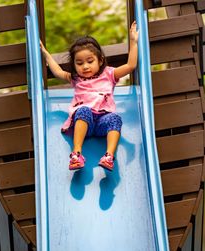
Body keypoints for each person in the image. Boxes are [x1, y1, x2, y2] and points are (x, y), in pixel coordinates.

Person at [40, 21, 138, 171]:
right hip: (84, 122)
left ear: (100, 60)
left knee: (115, 118)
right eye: (79, 63)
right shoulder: (76, 78)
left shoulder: (109, 74)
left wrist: (133, 41)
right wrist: (46, 54)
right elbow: (58, 72)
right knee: (83, 110)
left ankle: (109, 156)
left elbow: (130, 65)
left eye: (90, 61)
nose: (85, 66)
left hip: (102, 123)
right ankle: (76, 154)